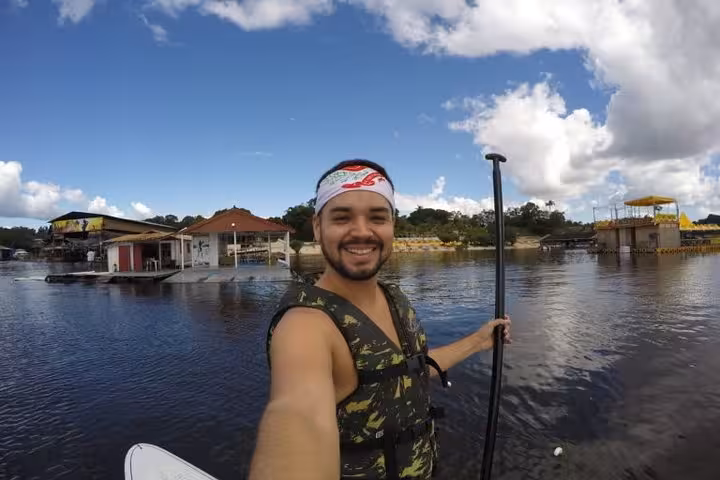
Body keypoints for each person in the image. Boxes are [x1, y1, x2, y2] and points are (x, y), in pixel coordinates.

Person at [249, 160, 511, 480]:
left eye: (377, 217)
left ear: (392, 226)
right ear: (317, 227)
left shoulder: (395, 298)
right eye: (342, 217)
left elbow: (408, 372)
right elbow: (296, 415)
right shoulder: (306, 325)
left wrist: (479, 341)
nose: (362, 231)